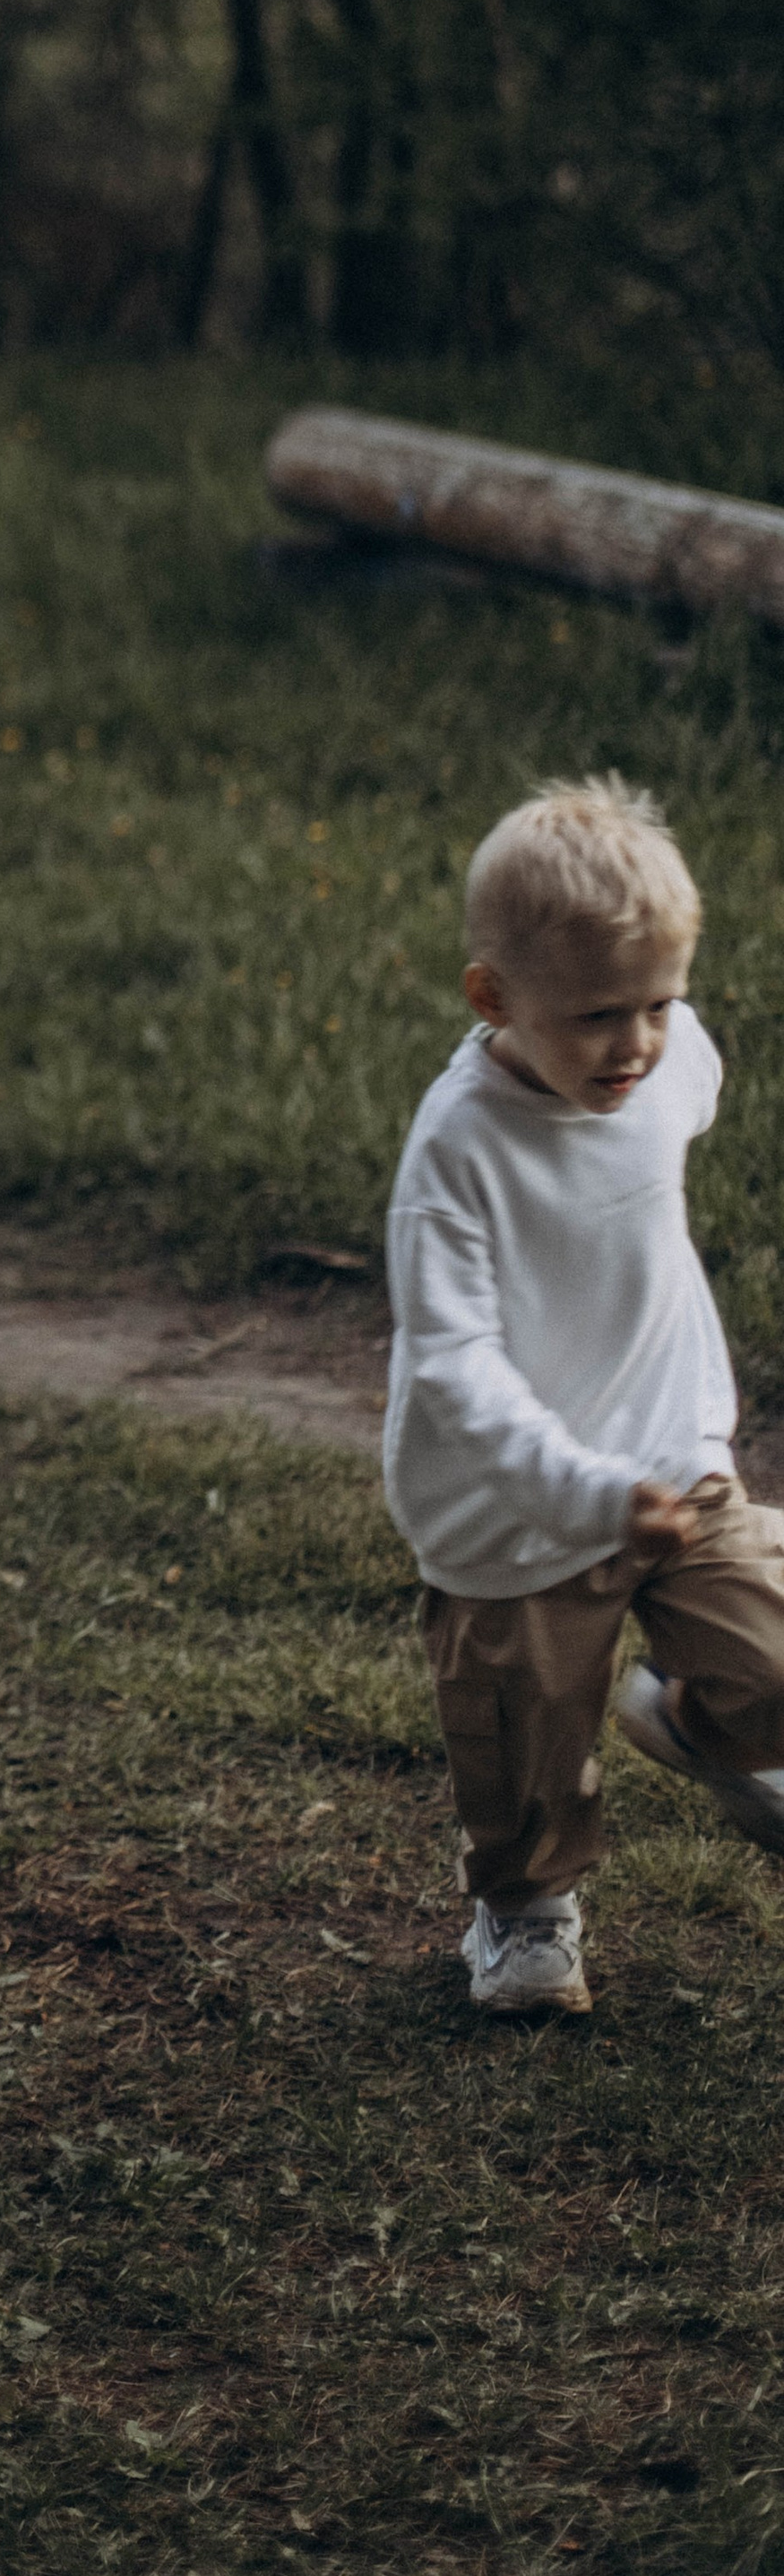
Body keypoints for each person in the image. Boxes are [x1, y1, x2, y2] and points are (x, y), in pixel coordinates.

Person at [385, 773, 784, 2018]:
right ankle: (525, 1910)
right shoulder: (457, 1153)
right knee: (526, 1746)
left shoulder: (664, 1067)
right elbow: (456, 1370)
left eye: (661, 1002)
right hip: (520, 1513)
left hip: (674, 1459)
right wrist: (585, 1491)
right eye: (599, 1015)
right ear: (494, 999)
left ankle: (699, 1721)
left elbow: (681, 1077)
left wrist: (640, 1480)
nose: (637, 1046)